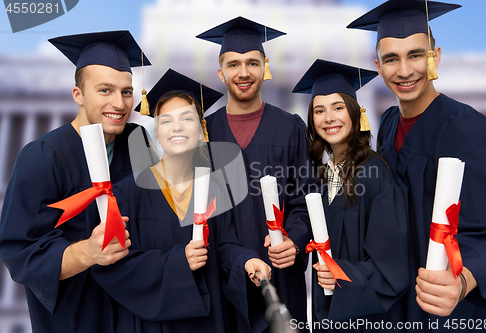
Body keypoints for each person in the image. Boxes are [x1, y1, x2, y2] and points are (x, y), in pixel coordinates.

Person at [348, 0, 486, 330]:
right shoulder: (388, 123)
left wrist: (462, 283)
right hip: (400, 300)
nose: (404, 71)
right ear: (378, 66)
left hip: (454, 309)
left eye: (416, 54)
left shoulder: (466, 126)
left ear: (436, 57)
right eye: (391, 59)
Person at [91, 68, 272, 333]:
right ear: (157, 134)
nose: (176, 126)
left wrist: (246, 261)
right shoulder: (128, 193)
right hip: (153, 325)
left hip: (209, 322)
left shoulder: (214, 187)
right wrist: (179, 261)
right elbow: (112, 266)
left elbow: (224, 247)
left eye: (187, 118)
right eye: (165, 121)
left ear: (201, 131)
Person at [0, 31, 150, 333]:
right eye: (105, 90)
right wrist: (88, 253)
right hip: (78, 317)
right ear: (78, 95)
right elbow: (21, 250)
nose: (119, 103)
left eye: (126, 91)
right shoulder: (42, 157)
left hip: (137, 312)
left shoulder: (138, 142)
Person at [197, 16, 313, 332]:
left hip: (281, 273)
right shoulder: (205, 132)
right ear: (221, 73)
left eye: (252, 62)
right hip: (223, 276)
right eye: (233, 64)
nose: (244, 72)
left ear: (265, 67)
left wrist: (295, 239)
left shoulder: (290, 127)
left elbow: (304, 199)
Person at [293, 59, 408, 331]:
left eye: (338, 107)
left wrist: (343, 276)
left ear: (356, 114)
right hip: (327, 312)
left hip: (369, 319)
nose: (328, 118)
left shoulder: (375, 174)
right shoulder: (319, 174)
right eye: (319, 110)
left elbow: (393, 265)